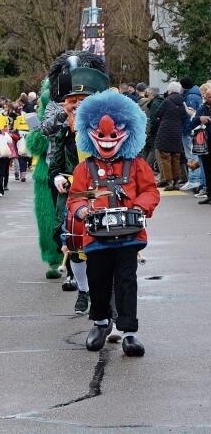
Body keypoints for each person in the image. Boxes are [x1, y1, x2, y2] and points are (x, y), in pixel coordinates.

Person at [67, 91, 160, 357]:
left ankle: (130, 332)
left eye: (114, 134)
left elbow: (151, 191)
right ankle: (100, 322)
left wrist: (139, 207)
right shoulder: (84, 169)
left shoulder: (137, 164)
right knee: (98, 281)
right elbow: (75, 198)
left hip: (129, 236)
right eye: (101, 134)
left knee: (127, 282)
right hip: (96, 237)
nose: (107, 139)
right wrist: (83, 209)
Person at [48, 67, 110, 314]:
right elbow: (55, 166)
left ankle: (103, 295)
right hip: (73, 195)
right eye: (71, 101)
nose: (75, 106)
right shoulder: (63, 131)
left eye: (82, 101)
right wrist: (58, 179)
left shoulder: (105, 129)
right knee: (73, 243)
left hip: (104, 194)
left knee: (102, 245)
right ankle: (83, 291)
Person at [154, 81, 187, 191]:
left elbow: (157, 114)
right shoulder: (183, 102)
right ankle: (177, 181)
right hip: (177, 131)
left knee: (165, 157)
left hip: (165, 131)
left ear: (170, 90)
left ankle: (169, 181)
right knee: (176, 157)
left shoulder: (167, 101)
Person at [189, 86, 211, 204]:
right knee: (206, 169)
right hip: (204, 144)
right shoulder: (202, 108)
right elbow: (192, 122)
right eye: (207, 97)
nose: (208, 99)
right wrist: (199, 118)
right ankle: (209, 194)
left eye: (210, 97)